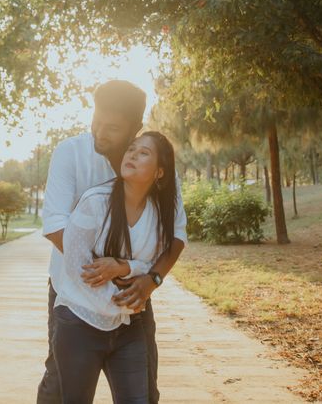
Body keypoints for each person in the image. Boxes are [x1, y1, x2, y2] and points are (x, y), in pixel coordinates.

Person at [37, 80, 187, 403]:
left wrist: (151, 279)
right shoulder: (71, 153)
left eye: (112, 127)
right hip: (74, 296)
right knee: (59, 390)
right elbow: (54, 225)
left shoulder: (158, 167)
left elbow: (176, 236)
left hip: (133, 298)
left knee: (145, 392)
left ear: (135, 128)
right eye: (97, 120)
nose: (99, 132)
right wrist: (102, 273)